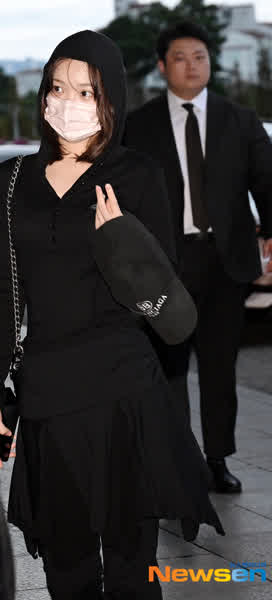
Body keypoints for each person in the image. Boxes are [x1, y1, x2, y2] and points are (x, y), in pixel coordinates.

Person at [0, 30, 223, 600]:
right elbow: (4, 293)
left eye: (86, 91)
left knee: (132, 565)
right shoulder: (12, 180)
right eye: (57, 87)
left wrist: (124, 247)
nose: (68, 101)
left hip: (123, 390)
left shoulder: (138, 174)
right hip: (47, 394)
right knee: (66, 566)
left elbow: (169, 312)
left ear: (110, 97)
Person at [124, 21, 272, 494]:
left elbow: (266, 181)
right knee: (168, 368)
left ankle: (216, 460)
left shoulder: (240, 120)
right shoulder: (138, 126)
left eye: (200, 57)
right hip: (163, 267)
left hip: (225, 263)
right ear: (162, 66)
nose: (192, 66)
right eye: (181, 58)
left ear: (211, 63)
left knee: (219, 367)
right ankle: (176, 460)